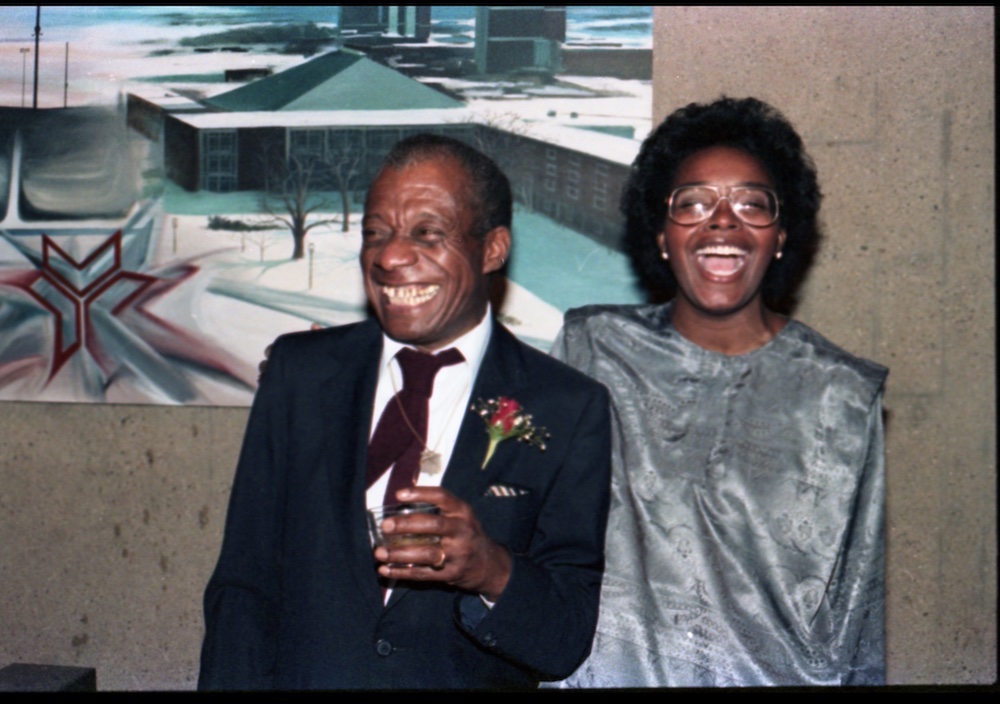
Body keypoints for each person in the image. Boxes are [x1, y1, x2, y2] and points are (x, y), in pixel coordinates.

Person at [198, 134, 612, 690]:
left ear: (492, 249)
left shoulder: (566, 406)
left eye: (427, 233)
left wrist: (490, 569)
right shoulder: (301, 374)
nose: (389, 257)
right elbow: (243, 588)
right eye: (375, 233)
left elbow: (565, 639)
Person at [549, 97, 887, 687]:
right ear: (661, 234)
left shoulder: (843, 393)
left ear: (780, 236)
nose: (723, 221)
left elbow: (857, 613)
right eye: (693, 203)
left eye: (751, 204)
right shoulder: (592, 351)